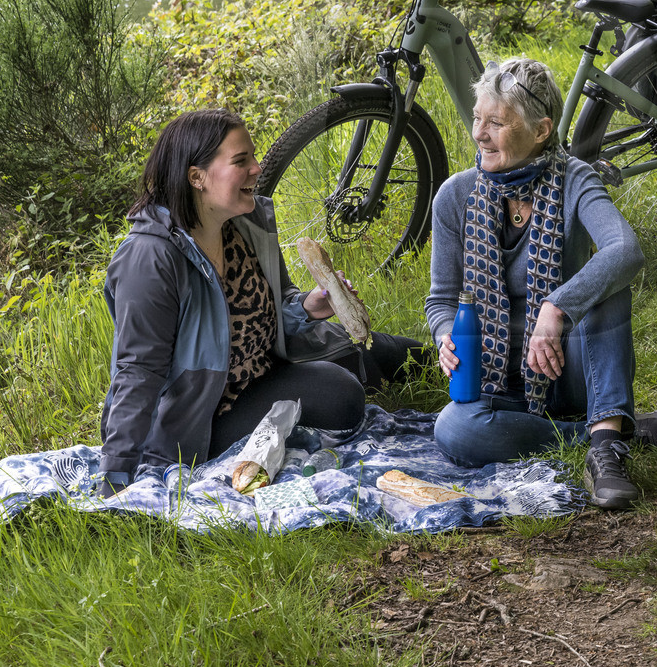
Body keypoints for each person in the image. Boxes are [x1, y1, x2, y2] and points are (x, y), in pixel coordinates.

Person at [98, 109, 421, 496]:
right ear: (196, 177)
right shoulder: (150, 258)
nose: (256, 167)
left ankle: (493, 372)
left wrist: (306, 308)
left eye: (252, 156)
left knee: (391, 352)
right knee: (341, 393)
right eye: (241, 161)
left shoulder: (242, 222)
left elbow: (268, 304)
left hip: (267, 364)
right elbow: (138, 371)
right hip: (206, 415)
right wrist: (115, 476)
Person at [428, 57, 657, 508]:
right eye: (477, 118)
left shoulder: (574, 180)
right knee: (453, 429)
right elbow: (442, 300)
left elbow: (625, 250)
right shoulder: (455, 196)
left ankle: (605, 453)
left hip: (567, 368)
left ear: (541, 130)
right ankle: (608, 429)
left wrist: (558, 306)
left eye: (497, 122)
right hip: (492, 380)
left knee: (606, 282)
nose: (479, 134)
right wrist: (446, 335)